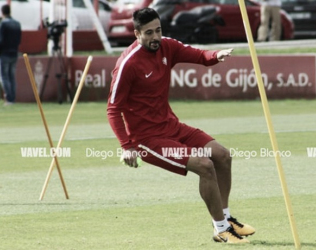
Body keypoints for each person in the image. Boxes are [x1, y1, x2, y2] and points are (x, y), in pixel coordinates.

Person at [107, 8, 255, 244]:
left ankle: (226, 220)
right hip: (147, 140)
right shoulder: (127, 64)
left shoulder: (166, 45)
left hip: (171, 126)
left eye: (158, 30)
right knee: (205, 165)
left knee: (222, 155)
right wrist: (126, 146)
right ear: (136, 34)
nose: (156, 37)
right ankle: (220, 230)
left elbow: (198, 55)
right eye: (148, 33)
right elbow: (113, 109)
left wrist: (216, 55)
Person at [0, 4, 21, 105]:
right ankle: (12, 98)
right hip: (14, 52)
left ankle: (9, 99)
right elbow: (19, 39)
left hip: (4, 53)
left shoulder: (3, 24)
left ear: (2, 12)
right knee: (11, 76)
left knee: (4, 77)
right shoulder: (17, 23)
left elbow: (1, 40)